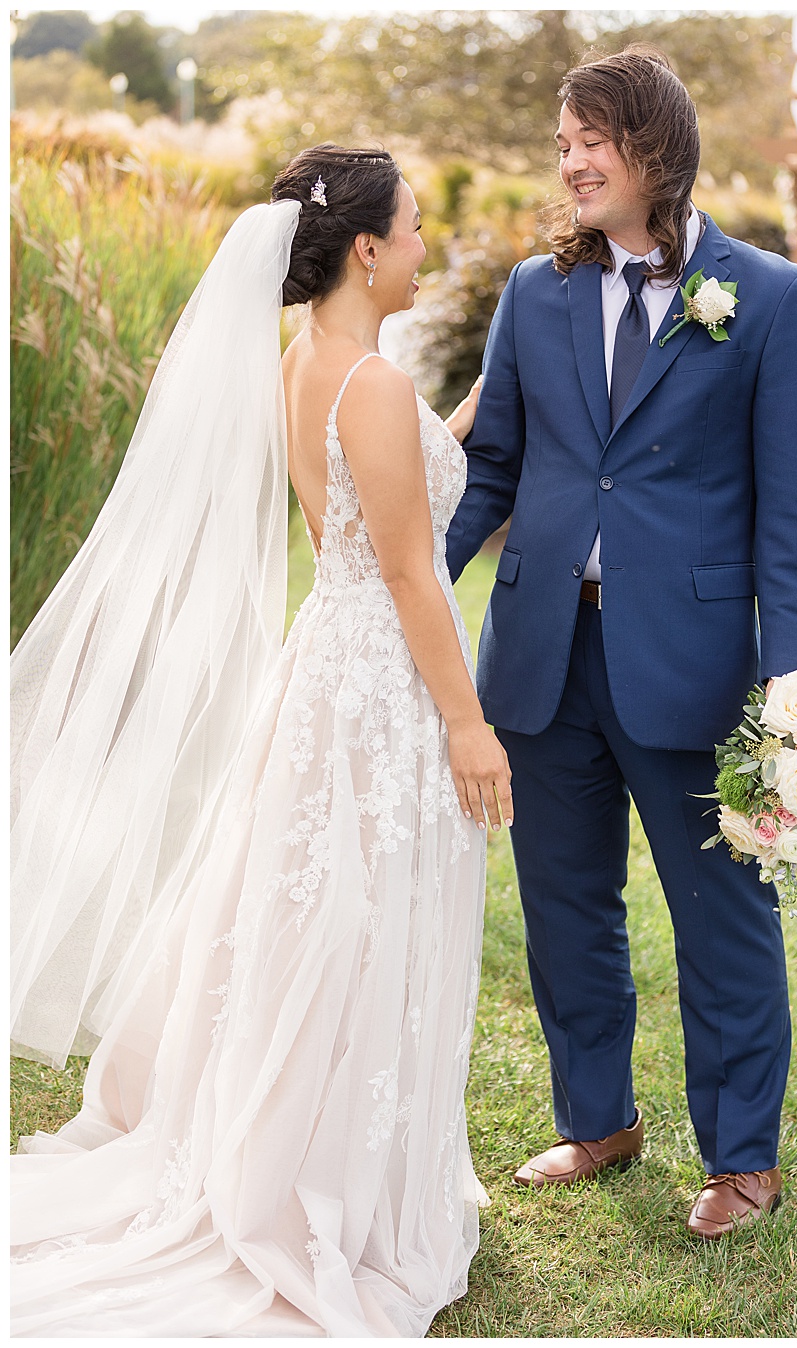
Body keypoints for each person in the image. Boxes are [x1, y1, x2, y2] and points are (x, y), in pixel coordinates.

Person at [12, 144, 496, 1334]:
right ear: (369, 249)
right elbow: (404, 567)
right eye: (420, 227)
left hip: (324, 666)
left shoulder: (311, 363)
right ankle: (316, 1178)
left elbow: (401, 487)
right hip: (378, 682)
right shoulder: (370, 386)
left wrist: (495, 392)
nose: (429, 244)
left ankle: (285, 1138)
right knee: (352, 917)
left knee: (310, 915)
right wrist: (469, 724)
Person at [444, 47, 797, 1238]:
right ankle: (598, 1119)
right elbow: (494, 466)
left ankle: (743, 1156)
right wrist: (400, 576)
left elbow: (792, 522)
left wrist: (794, 695)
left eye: (590, 141)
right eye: (561, 143)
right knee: (565, 905)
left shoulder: (769, 299)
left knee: (721, 912)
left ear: (654, 149)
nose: (570, 162)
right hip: (541, 653)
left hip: (696, 663)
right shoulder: (532, 291)